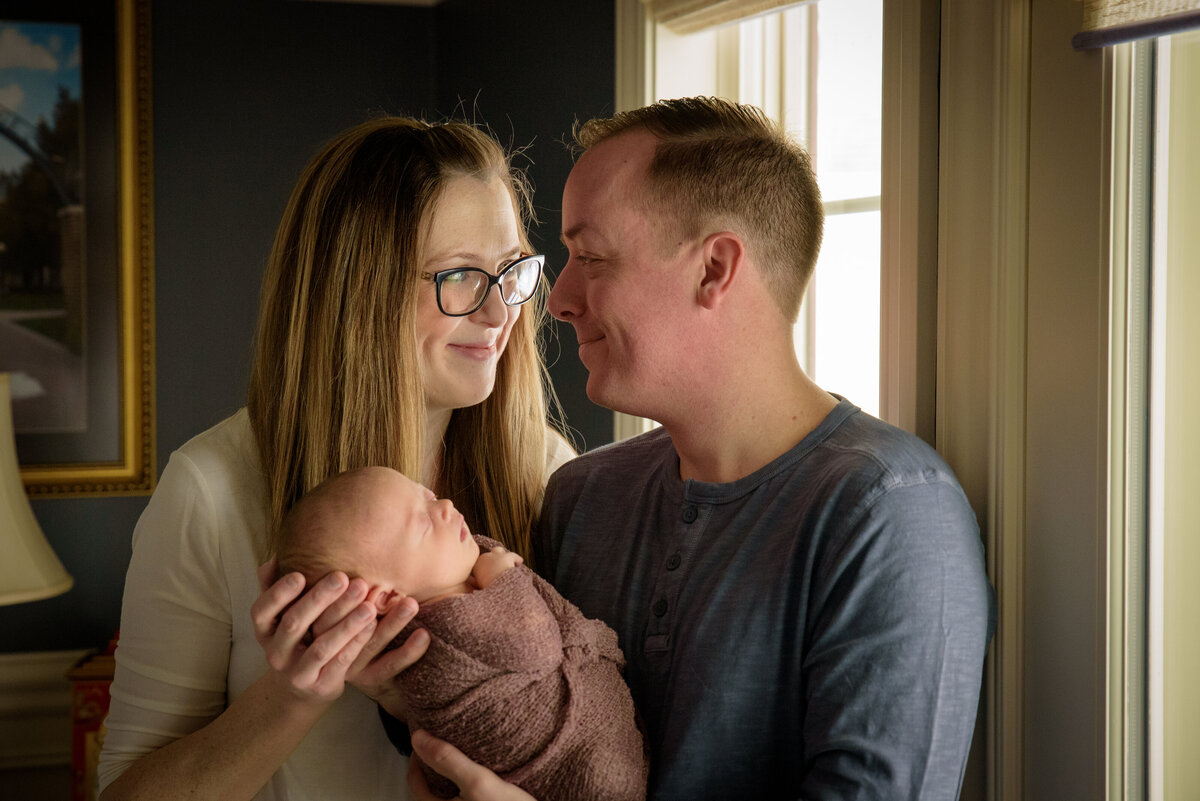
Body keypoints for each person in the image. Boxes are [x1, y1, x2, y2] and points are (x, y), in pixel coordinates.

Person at [406, 97, 995, 801]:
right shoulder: (580, 496)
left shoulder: (891, 513)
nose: (557, 298)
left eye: (590, 256)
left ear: (715, 268)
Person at [97, 115, 574, 801]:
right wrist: (291, 697)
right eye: (461, 275)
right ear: (358, 290)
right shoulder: (212, 492)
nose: (501, 313)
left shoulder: (545, 471)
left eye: (510, 272)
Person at [275, 465, 647, 801]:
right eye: (422, 522)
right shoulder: (441, 632)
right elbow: (536, 649)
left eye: (430, 496)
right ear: (388, 597)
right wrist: (502, 576)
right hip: (581, 773)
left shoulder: (457, 582)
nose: (446, 505)